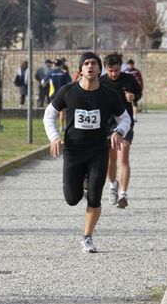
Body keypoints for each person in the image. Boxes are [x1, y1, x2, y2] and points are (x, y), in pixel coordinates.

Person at [43, 52, 131, 253]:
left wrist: (119, 131)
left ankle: (88, 237)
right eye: (86, 63)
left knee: (95, 196)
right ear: (81, 69)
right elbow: (49, 115)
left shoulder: (109, 94)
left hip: (98, 151)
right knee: (72, 199)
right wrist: (55, 137)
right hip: (73, 151)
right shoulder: (68, 91)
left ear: (99, 70)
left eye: (94, 63)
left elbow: (125, 118)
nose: (90, 66)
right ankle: (82, 181)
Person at [101, 53, 142, 209]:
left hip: (125, 123)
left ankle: (123, 194)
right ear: (106, 68)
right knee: (111, 160)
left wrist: (133, 97)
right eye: (111, 71)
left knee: (123, 156)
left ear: (121, 67)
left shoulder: (129, 79)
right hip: (107, 125)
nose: (114, 74)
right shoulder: (101, 81)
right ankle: (113, 186)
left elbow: (139, 93)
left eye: (116, 70)